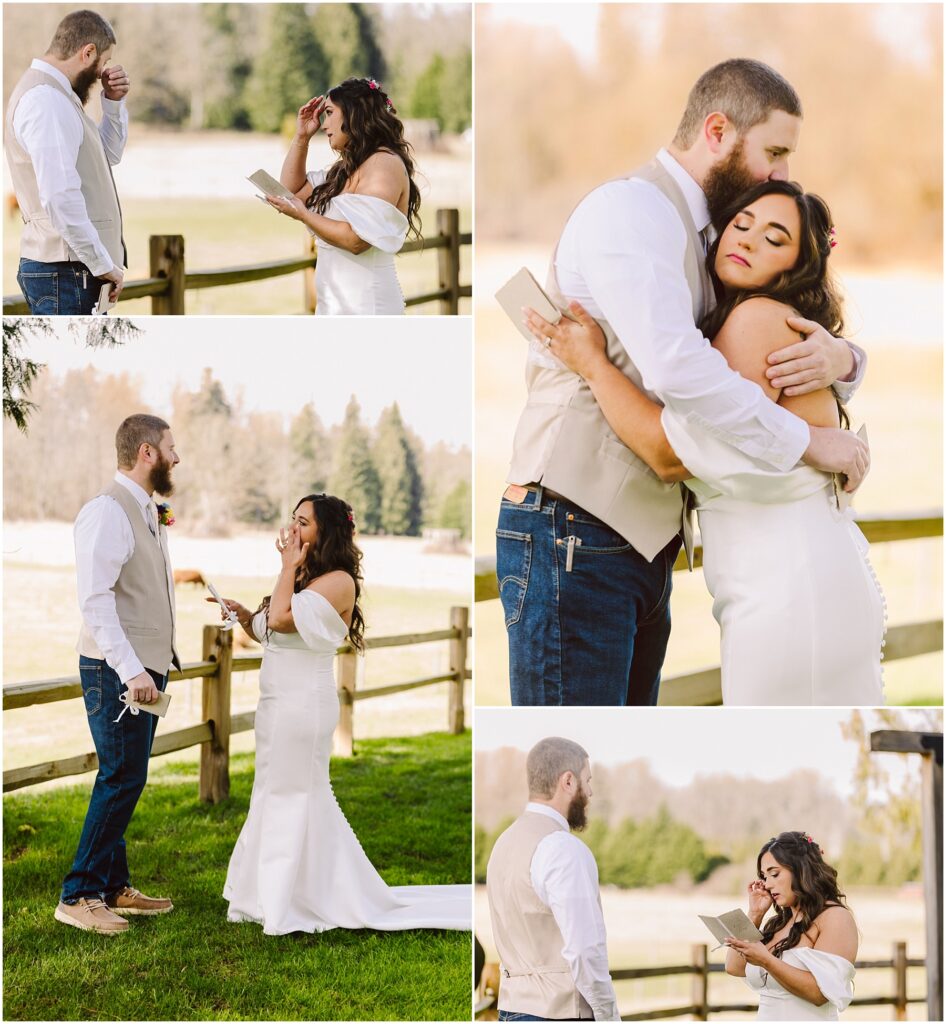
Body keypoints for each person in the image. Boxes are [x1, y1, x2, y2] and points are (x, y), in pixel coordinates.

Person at [496, 58, 869, 707]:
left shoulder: (712, 241)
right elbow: (677, 368)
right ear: (718, 130)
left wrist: (846, 359)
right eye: (774, 152)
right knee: (574, 750)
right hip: (571, 530)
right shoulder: (634, 210)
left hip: (640, 549)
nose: (782, 174)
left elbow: (757, 347)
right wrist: (809, 442)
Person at [217, 494, 470, 934]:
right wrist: (242, 616)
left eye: (303, 523)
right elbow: (269, 630)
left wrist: (286, 567)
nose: (292, 529)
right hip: (276, 704)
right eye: (292, 520)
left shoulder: (337, 581)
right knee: (272, 792)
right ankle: (270, 893)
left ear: (327, 531)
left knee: (295, 794)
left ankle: (304, 898)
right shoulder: (304, 576)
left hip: (303, 707)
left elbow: (279, 619)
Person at [57, 415, 180, 934]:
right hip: (118, 671)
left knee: (127, 776)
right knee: (121, 775)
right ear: (147, 452)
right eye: (172, 448)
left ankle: (113, 886)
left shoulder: (149, 511)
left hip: (145, 668)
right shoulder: (107, 511)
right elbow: (95, 600)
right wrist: (131, 670)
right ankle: (79, 894)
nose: (177, 458)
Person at [486, 737, 619, 1022]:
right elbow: (584, 949)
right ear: (568, 781)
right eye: (588, 779)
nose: (591, 791)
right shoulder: (563, 848)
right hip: (560, 1013)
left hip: (511, 1010)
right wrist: (608, 1016)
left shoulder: (503, 843)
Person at [5, 9, 128, 314]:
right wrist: (102, 263)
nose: (103, 72)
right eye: (104, 61)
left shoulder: (59, 97)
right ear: (88, 52)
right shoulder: (46, 100)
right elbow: (60, 196)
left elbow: (106, 156)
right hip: (68, 272)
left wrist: (113, 104)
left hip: (73, 271)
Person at [265, 78, 421, 315]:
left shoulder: (383, 164)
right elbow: (291, 193)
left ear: (354, 114)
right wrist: (301, 138)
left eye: (329, 113)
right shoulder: (343, 170)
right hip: (334, 308)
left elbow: (357, 241)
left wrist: (304, 216)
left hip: (368, 309)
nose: (324, 124)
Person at [724, 832, 857, 1021]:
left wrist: (766, 960)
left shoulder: (835, 917)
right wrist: (755, 914)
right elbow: (733, 967)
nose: (768, 884)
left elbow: (820, 994)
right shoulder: (777, 923)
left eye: (775, 874)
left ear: (801, 870)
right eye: (764, 876)